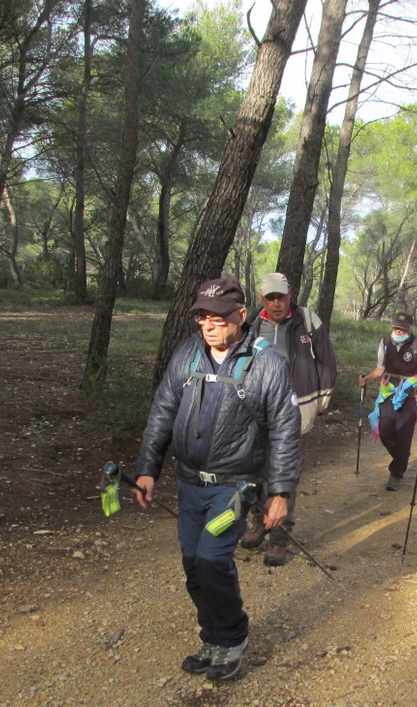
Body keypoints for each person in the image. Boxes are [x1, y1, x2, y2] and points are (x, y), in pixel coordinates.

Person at [133, 276, 300, 682]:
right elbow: (162, 413)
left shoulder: (268, 363)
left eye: (219, 319)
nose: (209, 326)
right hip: (189, 482)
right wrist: (147, 469)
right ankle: (212, 636)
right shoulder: (187, 354)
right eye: (203, 318)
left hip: (234, 487)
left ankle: (232, 637)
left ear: (241, 316)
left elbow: (284, 431)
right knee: (193, 565)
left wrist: (279, 493)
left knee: (212, 560)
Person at [240, 272, 337, 566]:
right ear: (261, 298)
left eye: (280, 296)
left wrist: (321, 401)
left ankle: (280, 538)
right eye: (270, 297)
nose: (276, 303)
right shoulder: (251, 324)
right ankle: (259, 522)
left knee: (286, 475)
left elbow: (327, 361)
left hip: (296, 409)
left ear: (290, 294)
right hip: (257, 411)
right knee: (255, 471)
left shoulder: (307, 320)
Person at [358, 312, 417, 491]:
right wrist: (367, 378)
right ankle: (401, 458)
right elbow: (380, 368)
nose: (398, 331)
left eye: (402, 328)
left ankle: (396, 473)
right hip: (388, 392)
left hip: (410, 395)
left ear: (410, 329)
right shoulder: (385, 343)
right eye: (395, 327)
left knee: (403, 434)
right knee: (384, 431)